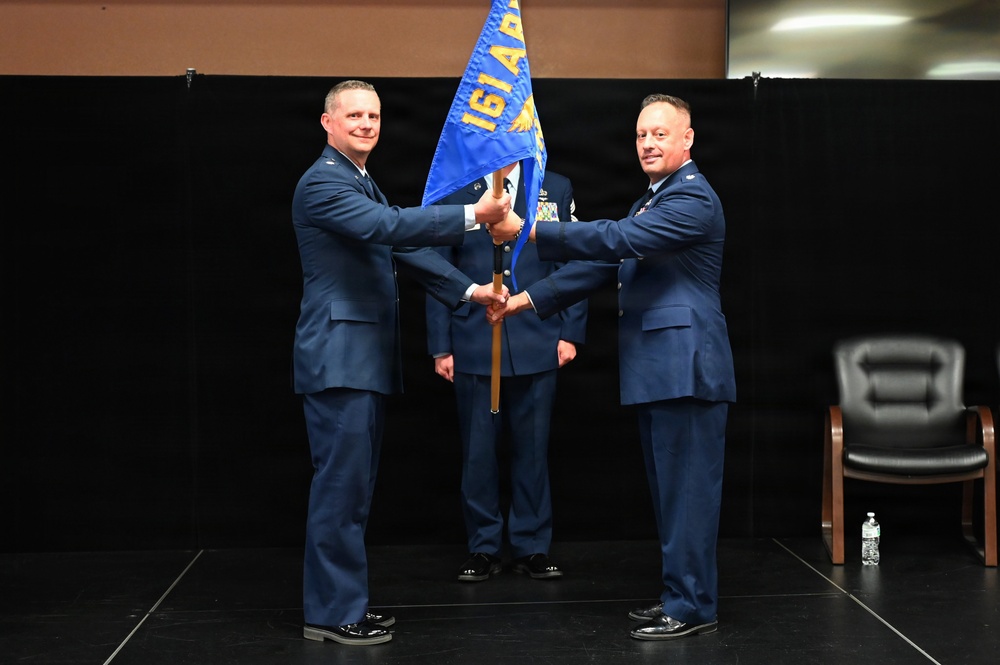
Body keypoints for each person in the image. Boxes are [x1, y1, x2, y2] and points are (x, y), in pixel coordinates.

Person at [487, 94, 736, 641]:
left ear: (688, 139)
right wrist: (522, 301)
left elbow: (619, 240)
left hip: (687, 368)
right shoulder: (655, 199)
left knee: (688, 493)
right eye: (642, 134)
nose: (648, 143)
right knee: (671, 493)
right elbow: (603, 265)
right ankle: (680, 596)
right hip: (660, 369)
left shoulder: (692, 199)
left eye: (661, 134)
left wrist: (530, 232)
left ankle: (693, 606)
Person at [291, 79, 512, 646]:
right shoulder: (323, 183)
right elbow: (387, 228)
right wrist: (474, 215)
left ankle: (343, 604)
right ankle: (333, 613)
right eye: (354, 116)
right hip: (339, 358)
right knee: (340, 491)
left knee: (353, 491)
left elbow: (404, 248)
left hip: (359, 360)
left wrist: (470, 292)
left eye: (374, 115)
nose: (366, 124)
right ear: (328, 123)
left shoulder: (358, 180)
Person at [426, 162, 587, 583]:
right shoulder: (457, 187)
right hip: (475, 338)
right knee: (478, 452)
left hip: (538, 335)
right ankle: (483, 546)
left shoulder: (554, 185)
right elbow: (438, 269)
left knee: (533, 450)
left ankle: (532, 545)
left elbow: (573, 260)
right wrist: (440, 344)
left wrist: (571, 330)